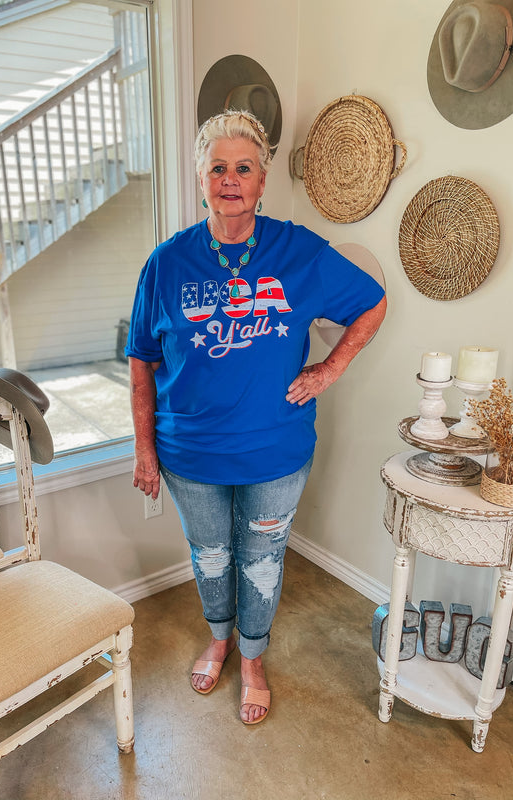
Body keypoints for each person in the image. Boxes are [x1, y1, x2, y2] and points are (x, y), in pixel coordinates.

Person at [125, 109, 386, 725]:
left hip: (275, 452)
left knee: (261, 558)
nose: (231, 179)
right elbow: (141, 362)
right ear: (201, 180)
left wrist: (327, 371)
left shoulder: (299, 253)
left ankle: (252, 658)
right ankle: (220, 638)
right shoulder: (166, 264)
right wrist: (144, 450)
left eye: (244, 167)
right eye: (218, 168)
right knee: (211, 555)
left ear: (263, 180)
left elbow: (371, 304)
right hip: (189, 456)